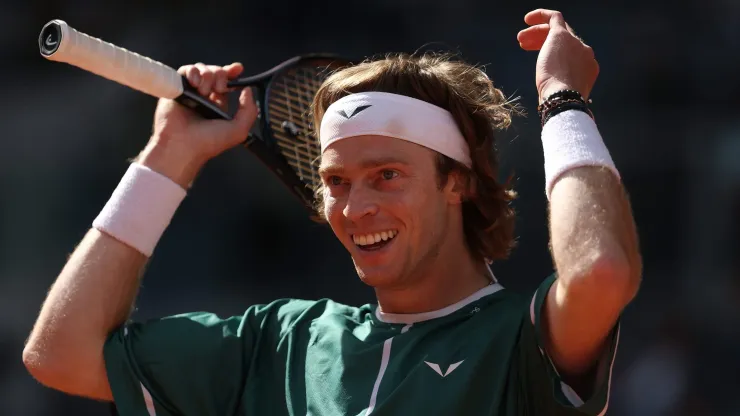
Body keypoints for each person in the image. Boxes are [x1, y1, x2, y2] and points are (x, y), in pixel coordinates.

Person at [23, 8, 641, 416]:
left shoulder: (522, 340)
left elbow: (600, 271)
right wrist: (168, 156)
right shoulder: (278, 343)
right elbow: (60, 353)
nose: (355, 205)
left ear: (456, 183)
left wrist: (562, 102)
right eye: (335, 181)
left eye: (387, 176)